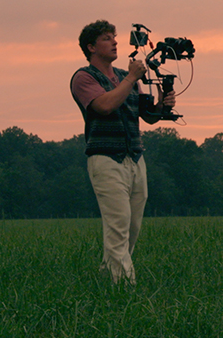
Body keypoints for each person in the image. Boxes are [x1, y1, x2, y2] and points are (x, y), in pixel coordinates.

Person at [70, 20, 175, 284]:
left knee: (131, 227)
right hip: (106, 158)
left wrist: (163, 103)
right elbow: (104, 106)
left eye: (114, 37)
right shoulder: (84, 77)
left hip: (135, 157)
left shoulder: (125, 77)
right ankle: (125, 290)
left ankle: (107, 278)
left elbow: (148, 117)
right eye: (107, 38)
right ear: (91, 47)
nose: (115, 42)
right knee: (118, 225)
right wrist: (131, 78)